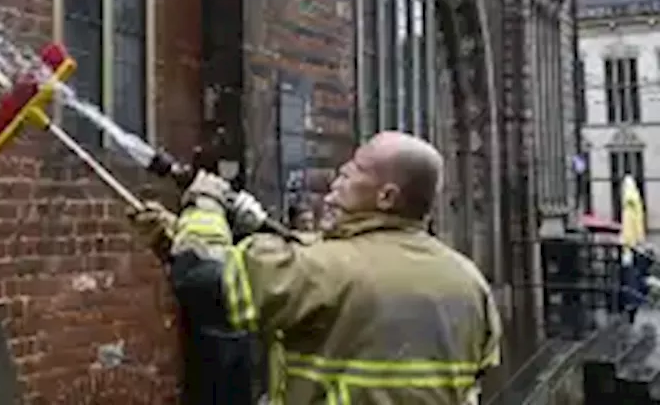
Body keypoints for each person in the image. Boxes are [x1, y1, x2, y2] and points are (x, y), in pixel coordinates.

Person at [131, 131, 502, 405]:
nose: (338, 176)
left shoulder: (324, 269)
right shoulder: (470, 283)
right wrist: (175, 241)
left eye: (354, 170)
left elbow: (202, 283)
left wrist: (204, 206)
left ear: (386, 196)